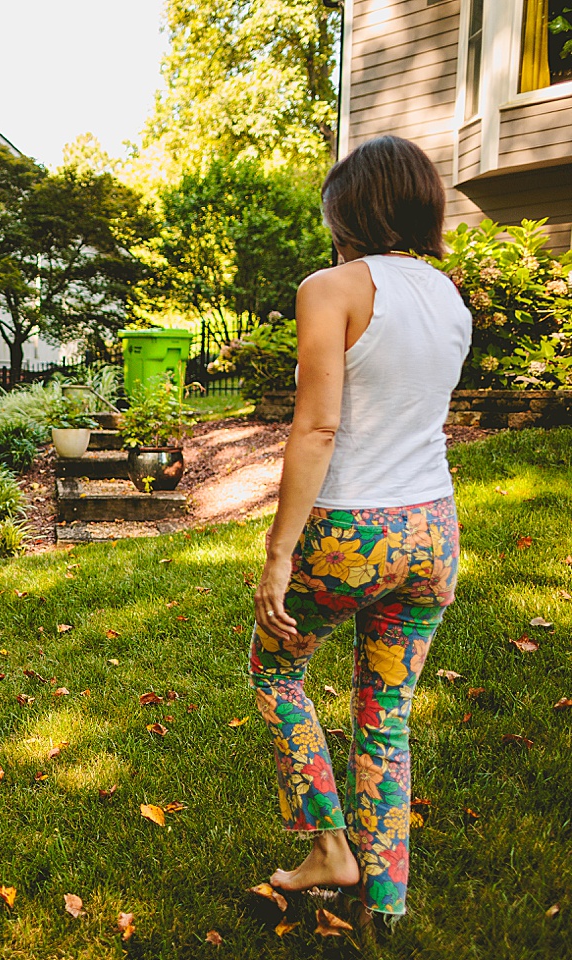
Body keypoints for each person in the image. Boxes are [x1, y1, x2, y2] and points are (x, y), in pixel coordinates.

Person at [248, 135, 471, 921]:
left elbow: (317, 429)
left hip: (351, 532)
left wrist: (279, 555)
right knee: (387, 716)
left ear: (350, 208)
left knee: (276, 672)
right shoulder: (450, 297)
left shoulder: (331, 287)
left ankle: (328, 845)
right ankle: (387, 899)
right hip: (434, 528)